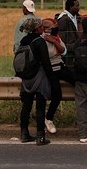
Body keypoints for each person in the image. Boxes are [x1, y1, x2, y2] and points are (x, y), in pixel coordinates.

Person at [18, 17, 56, 145]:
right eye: (40, 27)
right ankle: (40, 137)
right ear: (36, 28)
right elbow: (46, 63)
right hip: (39, 77)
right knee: (40, 106)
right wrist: (52, 80)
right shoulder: (40, 42)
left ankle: (24, 134)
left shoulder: (24, 40)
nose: (43, 28)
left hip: (26, 78)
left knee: (27, 106)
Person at [41, 18, 72, 135]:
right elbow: (47, 56)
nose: (55, 29)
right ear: (45, 29)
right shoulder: (41, 40)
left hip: (60, 65)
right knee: (57, 95)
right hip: (50, 69)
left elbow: (64, 51)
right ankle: (48, 119)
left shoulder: (56, 37)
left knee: (78, 81)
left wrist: (54, 41)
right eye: (53, 28)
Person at [56, 0, 82, 72]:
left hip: (73, 50)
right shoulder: (64, 19)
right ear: (70, 7)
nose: (78, 8)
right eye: (76, 6)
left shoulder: (75, 17)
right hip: (68, 52)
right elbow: (62, 38)